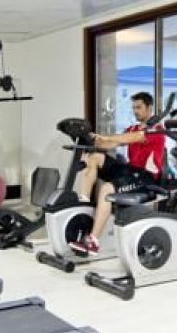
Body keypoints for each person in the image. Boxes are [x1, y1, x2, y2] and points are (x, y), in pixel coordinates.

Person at [69, 92, 166, 256]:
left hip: (145, 177)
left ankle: (93, 241)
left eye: (139, 107)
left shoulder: (156, 130)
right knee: (95, 156)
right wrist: (92, 140)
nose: (135, 111)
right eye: (134, 108)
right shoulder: (133, 128)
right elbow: (111, 143)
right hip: (130, 170)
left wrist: (105, 137)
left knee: (107, 189)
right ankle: (83, 202)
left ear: (149, 108)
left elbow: (129, 139)